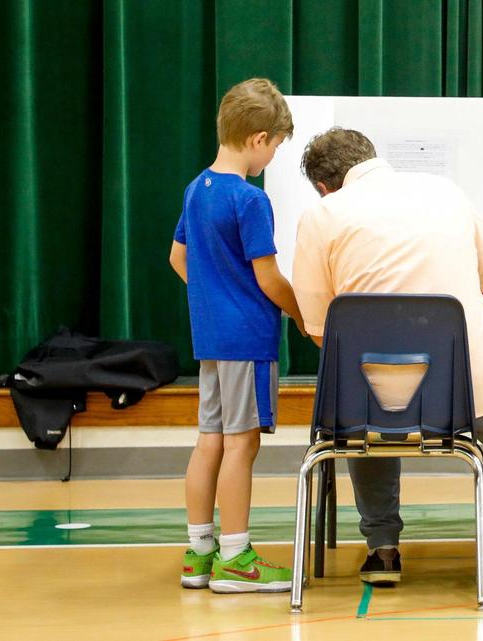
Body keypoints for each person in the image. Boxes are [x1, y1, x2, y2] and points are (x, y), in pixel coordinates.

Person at [291, 127, 483, 591]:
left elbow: (319, 330)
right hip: (470, 402)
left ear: (323, 185)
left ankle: (383, 550)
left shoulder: (321, 215)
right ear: (372, 158)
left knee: (366, 405)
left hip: (373, 406)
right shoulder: (446, 192)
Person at [169, 78, 305, 593]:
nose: (271, 157)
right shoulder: (249, 200)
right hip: (247, 340)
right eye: (274, 147)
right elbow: (268, 278)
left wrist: (215, 293)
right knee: (241, 446)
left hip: (210, 338)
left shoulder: (195, 189)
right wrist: (304, 318)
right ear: (259, 139)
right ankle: (236, 559)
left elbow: (178, 257)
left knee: (210, 442)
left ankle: (199, 554)